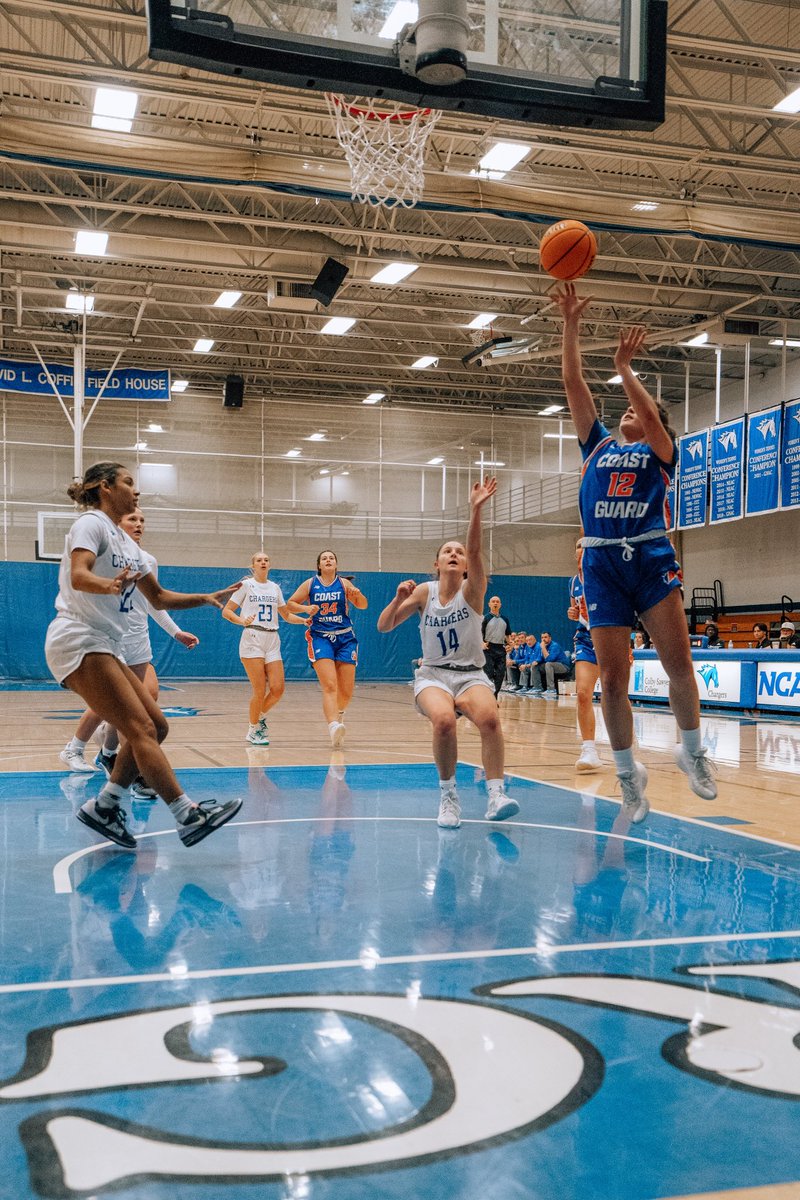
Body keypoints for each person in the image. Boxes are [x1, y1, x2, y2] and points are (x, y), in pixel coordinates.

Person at [555, 283, 717, 822]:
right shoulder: (597, 445)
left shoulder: (663, 453)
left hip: (650, 557)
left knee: (678, 664)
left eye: (636, 412)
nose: (628, 413)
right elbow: (573, 381)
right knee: (614, 679)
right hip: (602, 564)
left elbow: (650, 419)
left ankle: (691, 751)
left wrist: (628, 369)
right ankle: (628, 775)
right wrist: (571, 324)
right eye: (623, 408)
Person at [44, 461, 243, 850]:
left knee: (158, 726)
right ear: (105, 487)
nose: (136, 491)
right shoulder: (91, 524)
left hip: (104, 643)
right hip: (78, 638)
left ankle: (107, 804)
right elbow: (78, 576)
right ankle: (187, 815)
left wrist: (205, 598)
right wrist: (109, 585)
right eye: (129, 483)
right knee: (141, 728)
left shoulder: (130, 547)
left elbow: (159, 597)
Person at [377, 476, 519, 829]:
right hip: (434, 675)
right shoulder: (424, 593)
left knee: (489, 719)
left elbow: (474, 550)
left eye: (459, 552)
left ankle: (496, 793)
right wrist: (397, 599)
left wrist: (476, 511)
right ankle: (448, 797)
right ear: (437, 564)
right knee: (443, 722)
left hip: (471, 674)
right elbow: (383, 626)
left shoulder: (473, 591)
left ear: (466, 565)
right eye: (447, 551)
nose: (455, 554)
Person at [59, 507, 200, 799]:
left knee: (145, 699)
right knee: (127, 709)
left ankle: (107, 753)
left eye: (142, 520)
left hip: (139, 642)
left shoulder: (147, 561)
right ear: (116, 524)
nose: (138, 524)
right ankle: (128, 774)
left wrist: (176, 632)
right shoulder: (103, 554)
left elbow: (155, 603)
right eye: (131, 519)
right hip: (113, 640)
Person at [222, 551, 317, 745]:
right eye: (259, 560)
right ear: (253, 566)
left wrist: (303, 620)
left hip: (273, 638)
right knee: (259, 689)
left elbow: (286, 615)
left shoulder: (274, 588)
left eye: (266, 560)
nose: (263, 562)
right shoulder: (246, 586)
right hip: (252, 637)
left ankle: (260, 716)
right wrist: (242, 621)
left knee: (278, 689)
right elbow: (226, 611)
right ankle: (253, 729)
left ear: (269, 565)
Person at [287, 550, 368, 747]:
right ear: (319, 566)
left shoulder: (344, 584)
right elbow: (290, 604)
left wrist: (357, 596)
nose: (328, 560)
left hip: (345, 638)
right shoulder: (310, 584)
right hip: (320, 637)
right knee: (330, 685)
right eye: (324, 558)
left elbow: (363, 605)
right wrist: (306, 609)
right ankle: (332, 726)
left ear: (336, 565)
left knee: (346, 691)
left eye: (332, 558)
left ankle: (338, 716)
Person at [568, 538, 603, 772]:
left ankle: (628, 748)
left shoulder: (604, 574)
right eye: (578, 547)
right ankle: (588, 748)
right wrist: (572, 613)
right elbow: (575, 611)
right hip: (585, 639)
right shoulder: (573, 583)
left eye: (585, 547)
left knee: (614, 696)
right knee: (582, 693)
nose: (581, 551)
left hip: (609, 636)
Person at [482, 595, 512, 697]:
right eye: (493, 601)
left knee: (500, 675)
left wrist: (510, 645)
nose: (495, 603)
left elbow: (508, 635)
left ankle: (494, 696)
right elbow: (479, 633)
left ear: (500, 605)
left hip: (500, 649)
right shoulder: (485, 618)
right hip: (488, 649)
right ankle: (487, 696)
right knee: (488, 673)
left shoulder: (505, 619)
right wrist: (482, 643)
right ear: (489, 604)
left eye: (497, 602)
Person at [532, 631, 572, 698]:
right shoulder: (543, 646)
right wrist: (536, 661)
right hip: (551, 666)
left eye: (545, 637)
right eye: (542, 638)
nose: (543, 639)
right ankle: (538, 688)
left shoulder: (554, 646)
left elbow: (550, 659)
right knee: (535, 666)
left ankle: (551, 689)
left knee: (548, 664)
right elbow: (540, 657)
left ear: (550, 638)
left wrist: (543, 648)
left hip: (563, 666)